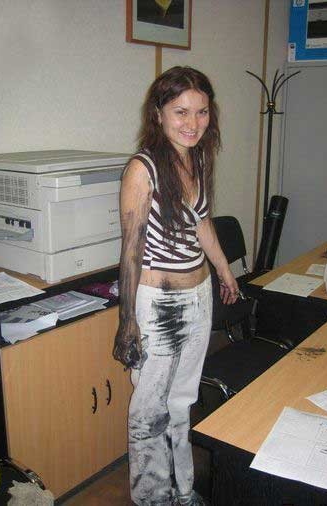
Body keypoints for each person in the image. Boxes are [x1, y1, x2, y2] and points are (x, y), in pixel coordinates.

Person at [113, 66, 239, 506]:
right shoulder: (142, 168)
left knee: (182, 401)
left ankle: (182, 490)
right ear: (159, 113)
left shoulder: (195, 158)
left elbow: (202, 222)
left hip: (198, 295)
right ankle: (152, 498)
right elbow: (131, 251)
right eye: (181, 111)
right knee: (149, 410)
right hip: (159, 304)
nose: (193, 122)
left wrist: (223, 270)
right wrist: (127, 322)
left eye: (202, 112)